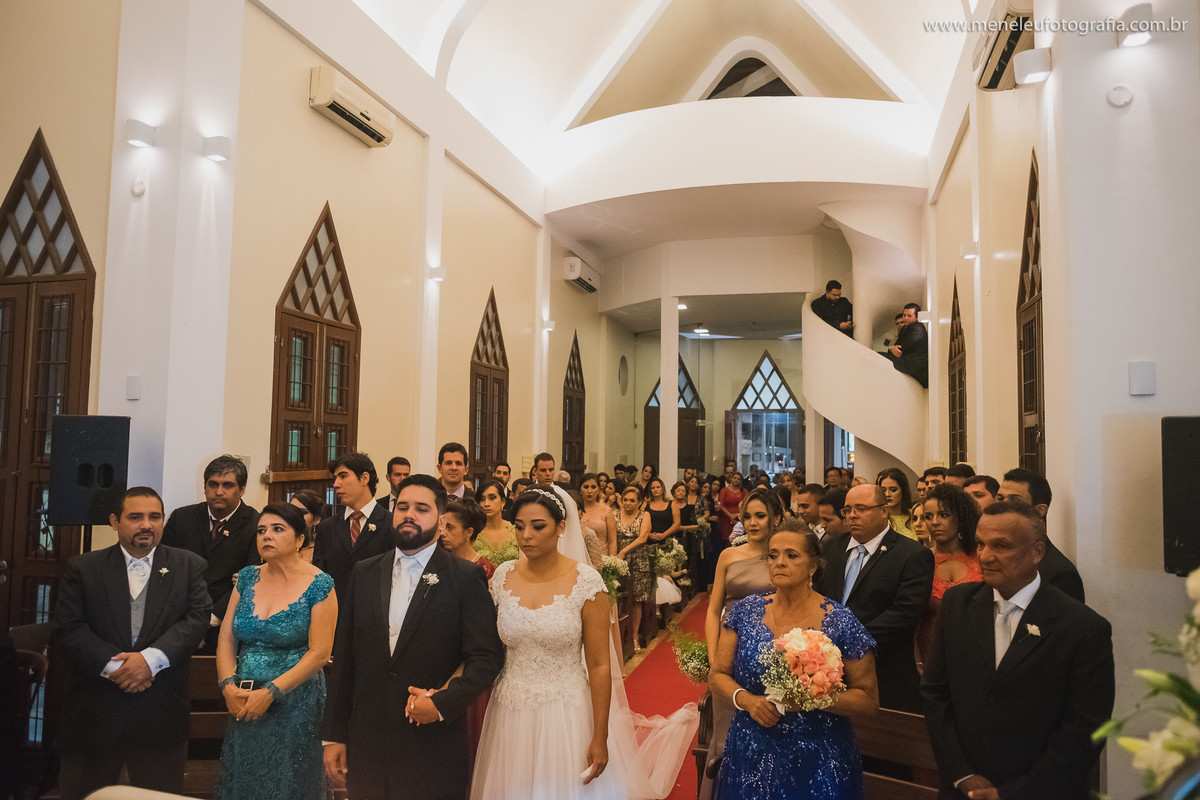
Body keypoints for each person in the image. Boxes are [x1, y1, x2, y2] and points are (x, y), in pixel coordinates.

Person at [471, 486, 698, 800]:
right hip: (510, 708)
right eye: (520, 526)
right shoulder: (503, 577)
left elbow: (600, 664)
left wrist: (600, 736)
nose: (527, 536)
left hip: (564, 710)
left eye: (538, 527)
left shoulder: (586, 581)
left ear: (560, 527)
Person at [322, 474, 504, 799]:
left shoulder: (464, 577)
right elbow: (345, 657)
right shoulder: (364, 572)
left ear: (441, 519)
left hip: (431, 742)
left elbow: (486, 657)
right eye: (402, 506)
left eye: (422, 508)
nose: (409, 514)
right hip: (368, 741)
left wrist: (441, 704)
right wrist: (335, 735)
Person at [921, 502, 1114, 800]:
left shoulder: (1082, 627)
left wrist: (1013, 793)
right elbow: (936, 693)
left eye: (1001, 546)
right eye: (981, 544)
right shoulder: (957, 604)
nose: (985, 556)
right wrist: (963, 774)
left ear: (1036, 552)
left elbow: (1084, 728)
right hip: (964, 789)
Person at [52, 487, 211, 800]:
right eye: (135, 517)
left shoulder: (189, 565)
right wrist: (119, 668)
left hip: (160, 714)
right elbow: (67, 629)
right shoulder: (83, 567)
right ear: (114, 521)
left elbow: (197, 620)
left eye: (155, 517)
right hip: (94, 715)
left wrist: (149, 661)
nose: (146, 525)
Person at [712, 524, 878, 799]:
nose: (780, 562)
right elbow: (718, 674)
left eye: (791, 555)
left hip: (819, 756)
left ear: (812, 566)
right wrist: (747, 700)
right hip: (752, 749)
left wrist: (813, 698)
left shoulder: (840, 621)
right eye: (773, 555)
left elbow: (868, 700)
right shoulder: (745, 612)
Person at [215, 503, 336, 800]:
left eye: (277, 529)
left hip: (296, 701)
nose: (266, 536)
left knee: (288, 781)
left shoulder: (320, 584)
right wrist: (227, 685)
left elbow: (320, 653)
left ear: (299, 540)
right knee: (246, 776)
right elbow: (226, 640)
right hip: (244, 699)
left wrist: (271, 692)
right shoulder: (246, 578)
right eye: (261, 530)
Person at [815, 484, 934, 712]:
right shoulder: (830, 548)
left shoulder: (911, 555)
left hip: (885, 667)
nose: (852, 516)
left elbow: (905, 612)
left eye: (861, 508)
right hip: (828, 667)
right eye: (847, 510)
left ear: (884, 511)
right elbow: (817, 597)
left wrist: (851, 641)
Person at [700, 487, 780, 800]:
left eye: (760, 515)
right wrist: (713, 657)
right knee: (727, 732)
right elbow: (712, 608)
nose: (752, 522)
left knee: (766, 729)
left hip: (770, 652)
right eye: (747, 516)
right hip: (728, 650)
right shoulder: (729, 555)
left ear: (775, 516)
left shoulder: (781, 554)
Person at [161, 455, 260, 650]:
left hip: (227, 625)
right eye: (213, 484)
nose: (219, 492)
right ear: (204, 487)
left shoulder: (256, 524)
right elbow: (163, 567)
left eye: (227, 485)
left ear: (242, 489)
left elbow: (250, 581)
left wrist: (206, 622)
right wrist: (184, 621)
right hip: (178, 621)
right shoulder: (181, 518)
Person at [312, 452, 394, 600]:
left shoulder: (391, 524)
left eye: (343, 476)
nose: (336, 484)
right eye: (335, 478)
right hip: (336, 613)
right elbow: (319, 580)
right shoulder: (327, 528)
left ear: (364, 478)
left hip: (374, 614)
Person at [915, 484, 982, 665]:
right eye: (928, 517)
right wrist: (916, 659)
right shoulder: (920, 560)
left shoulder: (981, 558)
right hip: (930, 653)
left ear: (960, 518)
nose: (935, 522)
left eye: (944, 515)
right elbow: (911, 618)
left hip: (977, 650)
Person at [996, 468, 1085, 603]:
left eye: (1014, 500)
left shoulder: (1060, 574)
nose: (1003, 506)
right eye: (1000, 499)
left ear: (1040, 510)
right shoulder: (990, 555)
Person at [614, 485, 654, 651]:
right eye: (625, 500)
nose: (628, 503)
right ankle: (618, 637)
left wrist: (624, 551)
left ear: (639, 502)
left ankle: (634, 636)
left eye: (632, 500)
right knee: (618, 598)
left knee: (637, 599)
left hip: (637, 560)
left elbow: (643, 537)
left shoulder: (644, 515)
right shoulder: (613, 514)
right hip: (617, 559)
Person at [443, 498, 497, 579]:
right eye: (442, 526)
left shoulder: (486, 570)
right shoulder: (441, 562)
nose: (442, 533)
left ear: (468, 532)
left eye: (449, 527)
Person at [473, 479, 520, 566]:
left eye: (492, 498)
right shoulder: (472, 532)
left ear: (502, 502)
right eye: (482, 499)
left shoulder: (515, 530)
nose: (486, 504)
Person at [883, 303, 928, 388]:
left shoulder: (917, 328)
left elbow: (900, 350)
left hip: (915, 364)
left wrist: (891, 349)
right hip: (908, 360)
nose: (905, 318)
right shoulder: (906, 328)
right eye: (904, 315)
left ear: (917, 317)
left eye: (909, 316)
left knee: (879, 355)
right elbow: (896, 347)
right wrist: (892, 348)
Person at [579, 473, 617, 556]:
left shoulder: (606, 512)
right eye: (586, 487)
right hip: (579, 557)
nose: (589, 491)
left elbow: (612, 541)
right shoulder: (575, 510)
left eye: (593, 487)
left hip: (601, 558)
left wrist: (613, 564)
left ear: (598, 490)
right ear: (580, 489)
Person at [877, 467, 918, 541]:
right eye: (883, 490)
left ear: (903, 490)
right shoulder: (877, 518)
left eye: (893, 490)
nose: (887, 494)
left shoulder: (915, 517)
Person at [288, 489, 325, 563]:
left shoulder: (323, 550)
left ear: (316, 519)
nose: (296, 516)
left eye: (303, 512)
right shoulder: (280, 545)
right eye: (292, 511)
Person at [717, 472, 747, 544]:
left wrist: (737, 515)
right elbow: (720, 505)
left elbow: (746, 505)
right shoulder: (724, 490)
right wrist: (730, 515)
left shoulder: (744, 491)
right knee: (726, 541)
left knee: (738, 541)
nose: (736, 480)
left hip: (739, 519)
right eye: (734, 478)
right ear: (731, 479)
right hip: (725, 520)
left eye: (738, 479)